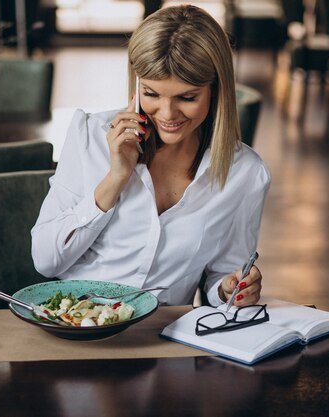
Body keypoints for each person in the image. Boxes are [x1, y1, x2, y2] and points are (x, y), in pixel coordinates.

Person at [31, 5, 271, 307]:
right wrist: (115, 179)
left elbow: (221, 276)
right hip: (80, 326)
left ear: (216, 90)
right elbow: (46, 260)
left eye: (187, 97)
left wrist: (230, 288)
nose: (167, 114)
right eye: (151, 94)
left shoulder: (245, 173)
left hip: (165, 338)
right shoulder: (90, 135)